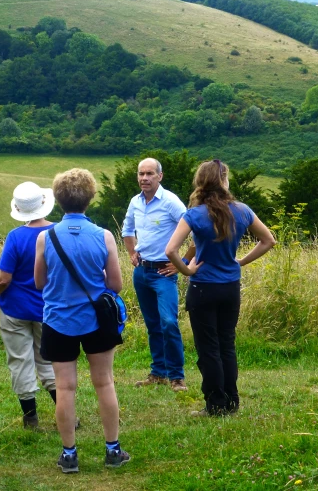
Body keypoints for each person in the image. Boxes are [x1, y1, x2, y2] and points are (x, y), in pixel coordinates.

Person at [34, 168, 130, 473]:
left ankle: (69, 454)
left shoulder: (44, 237)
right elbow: (115, 285)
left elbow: (39, 283)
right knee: (104, 383)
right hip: (96, 320)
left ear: (58, 201)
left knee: (65, 388)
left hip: (58, 319)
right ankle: (113, 450)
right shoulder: (103, 236)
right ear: (90, 198)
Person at [165, 160, 275, 416]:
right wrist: (241, 262)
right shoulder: (242, 210)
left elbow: (170, 250)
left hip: (203, 288)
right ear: (224, 181)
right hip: (230, 287)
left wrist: (187, 269)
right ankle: (232, 401)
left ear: (201, 182)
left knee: (209, 348)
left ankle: (215, 404)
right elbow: (269, 240)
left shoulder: (194, 214)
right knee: (227, 344)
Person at [0, 182, 57, 428]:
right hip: (48, 308)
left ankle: (30, 417)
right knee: (48, 360)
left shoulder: (16, 237)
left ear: (18, 208)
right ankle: (65, 413)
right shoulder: (56, 233)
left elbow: (5, 278)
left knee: (20, 360)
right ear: (43, 204)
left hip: (15, 308)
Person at [121, 158, 188, 392]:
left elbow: (196, 228)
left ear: (160, 176)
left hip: (163, 272)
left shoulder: (170, 202)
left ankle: (177, 376)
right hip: (142, 272)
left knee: (169, 322)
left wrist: (183, 263)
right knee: (152, 324)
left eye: (150, 173)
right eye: (141, 174)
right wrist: (131, 252)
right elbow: (127, 229)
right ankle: (158, 372)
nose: (144, 178)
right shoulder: (135, 202)